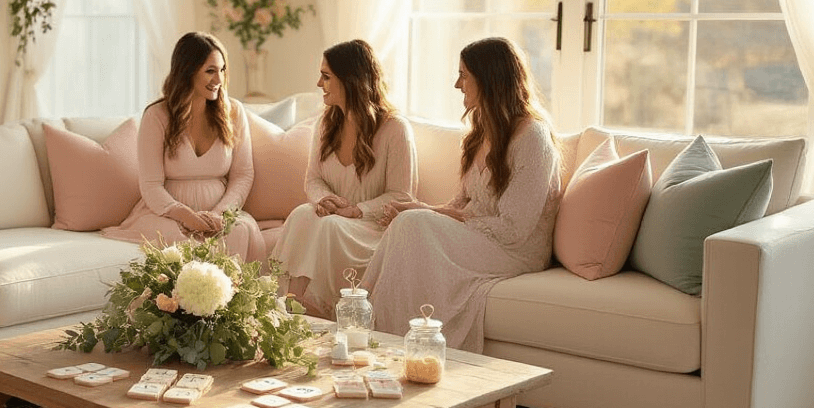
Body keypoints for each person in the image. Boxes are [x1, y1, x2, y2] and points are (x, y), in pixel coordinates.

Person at [361, 36, 561, 353]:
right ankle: (375, 332)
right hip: (484, 238)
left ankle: (374, 334)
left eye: (464, 75)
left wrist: (428, 216)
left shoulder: (532, 137)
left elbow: (514, 229)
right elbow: (461, 205)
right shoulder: (480, 130)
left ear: (489, 79)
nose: (457, 84)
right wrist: (419, 208)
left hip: (516, 251)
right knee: (409, 223)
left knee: (414, 225)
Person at [271, 40, 415, 316]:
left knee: (330, 227)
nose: (318, 83)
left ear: (350, 81)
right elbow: (312, 179)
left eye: (326, 76)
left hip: (372, 227)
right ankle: (288, 306)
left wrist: (356, 210)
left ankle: (322, 312)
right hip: (335, 217)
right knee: (302, 214)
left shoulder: (394, 129)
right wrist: (325, 199)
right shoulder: (326, 124)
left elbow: (401, 196)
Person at [103, 32, 266, 262]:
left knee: (240, 231)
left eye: (222, 70)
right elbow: (150, 185)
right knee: (179, 241)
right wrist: (186, 217)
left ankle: (229, 298)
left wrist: (219, 214)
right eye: (210, 71)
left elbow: (243, 174)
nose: (219, 79)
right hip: (168, 215)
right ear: (188, 70)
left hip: (220, 215)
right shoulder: (156, 116)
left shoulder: (234, 112)